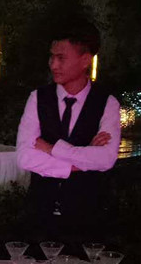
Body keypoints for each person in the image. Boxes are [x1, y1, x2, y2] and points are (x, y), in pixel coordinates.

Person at [16, 20, 120, 251]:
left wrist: (52, 149)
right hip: (38, 216)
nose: (53, 64)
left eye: (61, 58)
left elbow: (106, 159)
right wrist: (80, 162)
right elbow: (24, 156)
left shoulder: (107, 103)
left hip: (86, 218)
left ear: (85, 60)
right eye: (51, 57)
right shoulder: (38, 98)